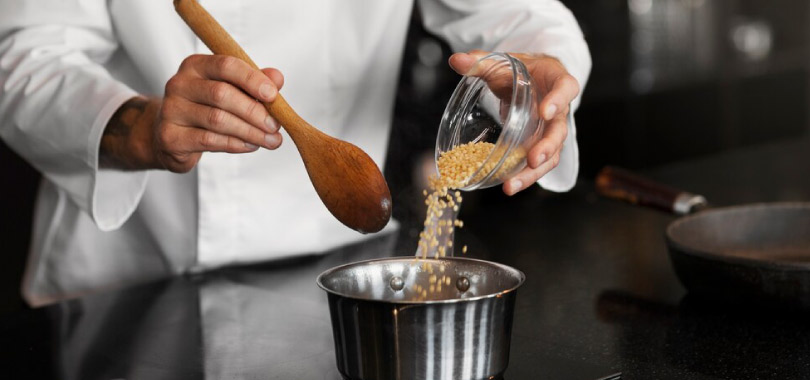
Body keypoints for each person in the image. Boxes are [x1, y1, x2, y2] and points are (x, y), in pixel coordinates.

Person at [0, 0, 591, 306]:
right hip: (133, 283)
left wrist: (543, 79)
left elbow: (515, 13)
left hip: (343, 278)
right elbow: (23, 54)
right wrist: (139, 126)